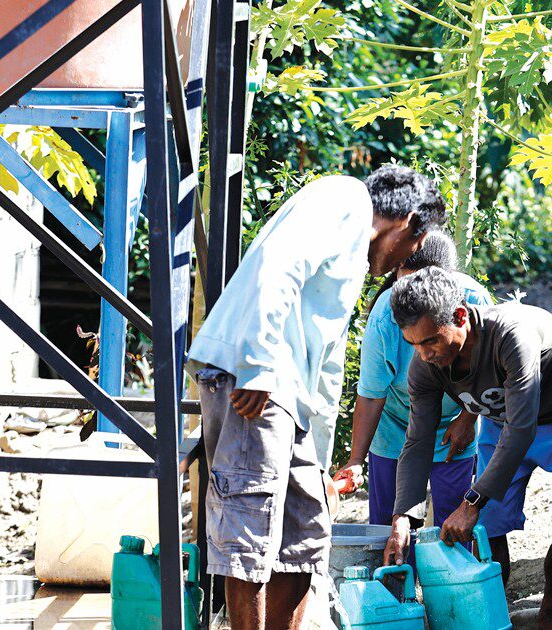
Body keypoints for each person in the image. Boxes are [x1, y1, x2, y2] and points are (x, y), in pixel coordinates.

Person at [188, 165, 445, 630]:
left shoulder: (351, 257)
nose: (406, 261)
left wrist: (323, 463)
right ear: (407, 221)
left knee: (307, 534)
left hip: (288, 395)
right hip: (257, 381)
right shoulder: (343, 199)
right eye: (415, 247)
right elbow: (279, 265)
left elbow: (326, 367)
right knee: (250, 533)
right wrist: (260, 363)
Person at [383, 267, 552, 630]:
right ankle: (494, 617)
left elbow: (523, 428)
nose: (423, 355)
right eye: (414, 345)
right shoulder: (425, 366)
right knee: (491, 524)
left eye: (430, 342)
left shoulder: (511, 336)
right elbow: (418, 441)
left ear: (460, 316)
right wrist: (402, 517)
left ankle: (549, 616)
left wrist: (471, 502)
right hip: (505, 419)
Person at [334, 232, 491, 528]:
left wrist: (467, 420)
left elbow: (488, 372)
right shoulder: (384, 317)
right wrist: (356, 460)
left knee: (455, 523)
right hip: (396, 425)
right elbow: (371, 394)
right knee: (389, 525)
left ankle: (450, 575)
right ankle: (394, 574)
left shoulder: (474, 301)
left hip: (453, 424)